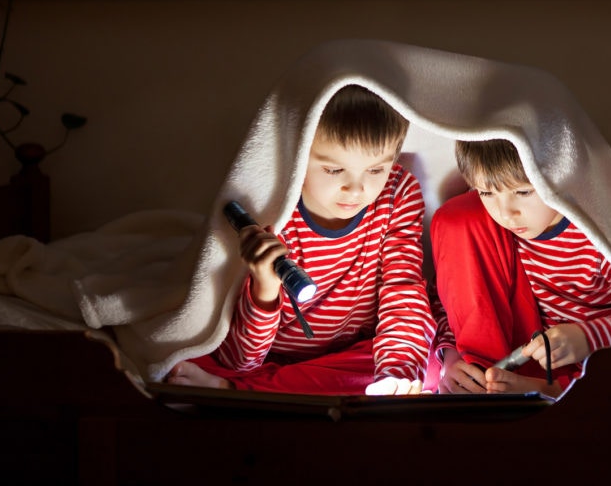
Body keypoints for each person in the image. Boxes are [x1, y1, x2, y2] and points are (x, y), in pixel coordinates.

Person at [166, 84, 433, 395]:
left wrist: (396, 374)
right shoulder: (272, 208)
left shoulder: (398, 193)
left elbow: (403, 291)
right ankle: (247, 388)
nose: (356, 189)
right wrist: (265, 285)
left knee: (425, 364)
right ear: (298, 155)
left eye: (376, 169)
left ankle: (243, 392)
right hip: (268, 356)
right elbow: (241, 358)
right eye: (334, 169)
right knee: (185, 354)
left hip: (348, 358)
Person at [430, 138, 611, 399]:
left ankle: (562, 391)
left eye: (523, 192)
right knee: (457, 217)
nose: (506, 212)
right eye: (486, 193)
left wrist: (587, 337)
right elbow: (452, 299)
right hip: (524, 358)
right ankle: (484, 384)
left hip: (604, 354)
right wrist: (452, 356)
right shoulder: (490, 226)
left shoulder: (600, 234)